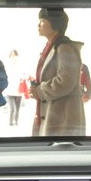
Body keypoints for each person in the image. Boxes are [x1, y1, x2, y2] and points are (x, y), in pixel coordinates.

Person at [29, 8, 85, 137]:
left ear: (55, 23)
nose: (38, 25)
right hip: (56, 113)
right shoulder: (53, 46)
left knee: (61, 148)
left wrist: (40, 91)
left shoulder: (64, 48)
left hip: (63, 116)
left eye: (42, 20)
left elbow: (66, 81)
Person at [4, 50, 24, 127]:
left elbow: (24, 75)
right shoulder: (7, 66)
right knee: (12, 108)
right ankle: (10, 122)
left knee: (17, 109)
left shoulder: (20, 66)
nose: (13, 57)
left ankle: (16, 122)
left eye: (15, 55)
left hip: (18, 91)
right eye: (12, 55)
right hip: (9, 91)